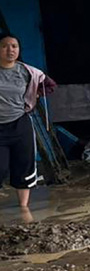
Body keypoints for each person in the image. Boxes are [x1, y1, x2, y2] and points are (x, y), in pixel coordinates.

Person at [0, 33, 55, 212]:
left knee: (24, 164)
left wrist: (36, 94)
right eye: (5, 46)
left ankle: (24, 209)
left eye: (14, 46)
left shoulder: (27, 71)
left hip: (20, 124)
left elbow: (49, 85)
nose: (10, 50)